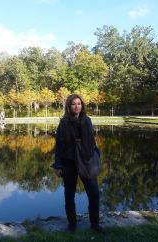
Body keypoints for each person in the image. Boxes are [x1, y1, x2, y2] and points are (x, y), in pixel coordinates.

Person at [52, 94, 105, 233]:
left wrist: (96, 155)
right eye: (74, 104)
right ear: (69, 107)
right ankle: (72, 225)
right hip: (69, 163)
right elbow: (59, 146)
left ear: (82, 106)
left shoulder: (87, 121)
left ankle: (95, 224)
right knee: (69, 195)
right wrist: (57, 165)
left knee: (94, 194)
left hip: (86, 162)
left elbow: (92, 141)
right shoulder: (64, 123)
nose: (77, 106)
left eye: (79, 104)